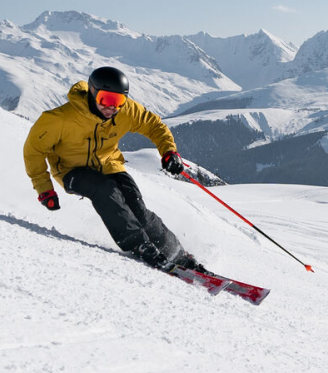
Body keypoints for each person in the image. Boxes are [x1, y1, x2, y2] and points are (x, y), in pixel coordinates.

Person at [25, 66, 207, 273]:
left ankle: (178, 255)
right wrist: (44, 189)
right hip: (71, 170)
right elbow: (34, 151)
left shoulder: (126, 112)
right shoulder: (59, 119)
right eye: (105, 99)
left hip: (109, 164)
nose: (111, 107)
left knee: (136, 206)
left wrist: (168, 151)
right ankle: (138, 243)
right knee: (105, 190)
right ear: (92, 93)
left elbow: (154, 125)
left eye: (118, 101)